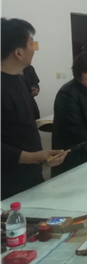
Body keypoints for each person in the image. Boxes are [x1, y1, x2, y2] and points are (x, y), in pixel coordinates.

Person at [1, 18, 67, 199]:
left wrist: (41, 159)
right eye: (31, 44)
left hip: (30, 175)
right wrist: (34, 157)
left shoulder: (21, 80)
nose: (34, 49)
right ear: (19, 53)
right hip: (6, 182)